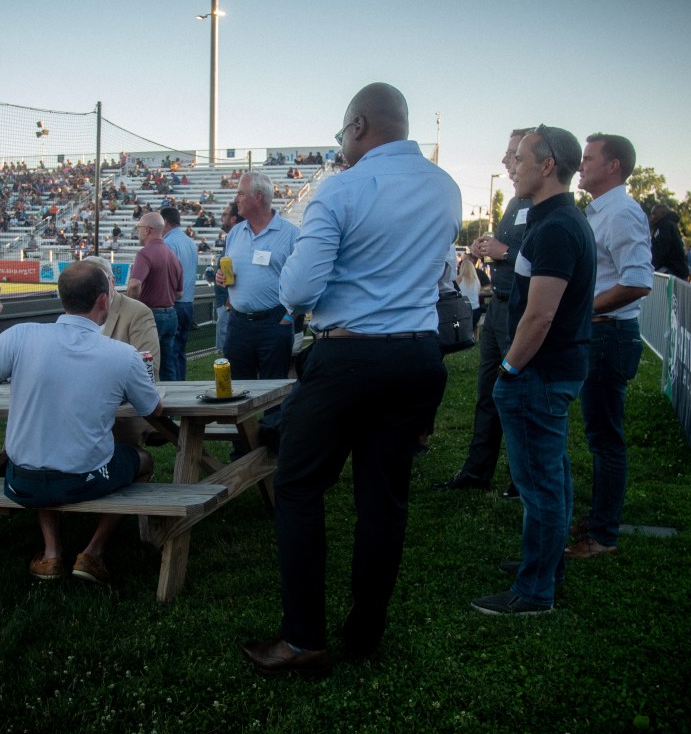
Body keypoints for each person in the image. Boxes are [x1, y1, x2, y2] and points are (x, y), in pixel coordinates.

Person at [241, 83, 460, 674]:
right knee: (383, 501)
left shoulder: (343, 186)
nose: (340, 145)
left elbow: (299, 289)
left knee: (299, 486)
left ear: (359, 125)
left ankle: (303, 638)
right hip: (417, 356)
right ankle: (365, 634)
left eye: (342, 134)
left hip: (349, 356)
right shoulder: (445, 187)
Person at [0, 263, 163, 582]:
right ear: (104, 300)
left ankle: (51, 553)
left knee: (44, 449)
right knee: (141, 460)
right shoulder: (123, 355)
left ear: (63, 298)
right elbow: (153, 409)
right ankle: (92, 552)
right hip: (83, 480)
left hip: (22, 482)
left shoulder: (21, 336)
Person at [471, 125, 595, 616]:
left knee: (541, 484)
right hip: (550, 370)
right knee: (552, 478)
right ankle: (545, 565)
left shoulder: (557, 227)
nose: (513, 166)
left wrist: (509, 368)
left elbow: (540, 315)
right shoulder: (554, 221)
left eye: (521, 158)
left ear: (547, 166)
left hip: (539, 373)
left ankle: (535, 590)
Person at [566, 134, 653, 559]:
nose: (581, 166)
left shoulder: (621, 212)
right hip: (600, 332)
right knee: (599, 433)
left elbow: (637, 281)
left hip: (608, 334)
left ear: (613, 166)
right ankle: (600, 516)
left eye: (588, 158)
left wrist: (579, 309)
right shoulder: (602, 211)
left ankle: (603, 536)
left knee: (605, 438)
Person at [436, 128, 532, 499]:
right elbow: (511, 246)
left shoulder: (545, 206)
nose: (506, 161)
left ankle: (520, 479)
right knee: (487, 393)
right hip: (499, 309)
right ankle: (478, 471)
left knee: (516, 395)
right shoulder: (515, 202)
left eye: (514, 154)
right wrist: (485, 246)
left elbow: (537, 252)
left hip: (520, 311)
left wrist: (503, 250)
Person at [216, 171, 298, 424]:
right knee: (237, 390)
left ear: (258, 197)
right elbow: (229, 271)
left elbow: (302, 280)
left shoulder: (291, 234)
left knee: (274, 391)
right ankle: (242, 450)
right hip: (238, 323)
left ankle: (272, 449)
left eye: (241, 193)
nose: (236, 198)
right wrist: (221, 278)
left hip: (274, 323)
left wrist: (288, 316)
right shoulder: (235, 233)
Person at [88, 255, 161, 446]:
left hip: (121, 410)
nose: (92, 290)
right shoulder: (77, 309)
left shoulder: (137, 312)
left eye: (96, 283)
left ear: (111, 282)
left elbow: (149, 371)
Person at [128, 212, 183, 381]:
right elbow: (179, 293)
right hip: (171, 314)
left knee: (146, 366)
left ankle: (150, 403)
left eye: (139, 228)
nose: (138, 231)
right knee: (168, 366)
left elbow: (134, 284)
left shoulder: (144, 254)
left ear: (148, 230)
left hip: (151, 315)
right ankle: (172, 402)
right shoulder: (172, 255)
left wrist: (132, 305)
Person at [161, 206, 197, 380]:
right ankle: (182, 386)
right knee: (180, 352)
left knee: (170, 354)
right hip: (188, 304)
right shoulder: (190, 242)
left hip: (173, 303)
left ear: (165, 222)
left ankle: (175, 392)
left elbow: (168, 277)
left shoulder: (168, 244)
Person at [213, 202, 241, 353]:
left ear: (233, 219)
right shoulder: (230, 238)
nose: (221, 217)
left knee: (226, 346)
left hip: (229, 301)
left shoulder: (237, 239)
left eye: (224, 214)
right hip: (225, 299)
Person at [648, 205, 689, 279]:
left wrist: (651, 265)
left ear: (663, 213)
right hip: (677, 270)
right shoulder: (671, 225)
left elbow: (661, 249)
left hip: (669, 269)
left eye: (654, 213)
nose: (652, 216)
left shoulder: (663, 225)